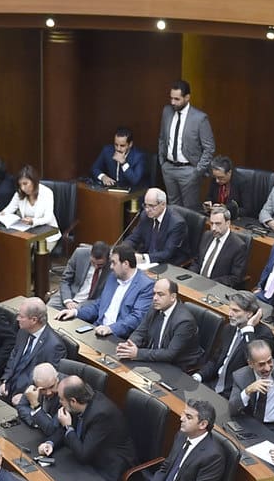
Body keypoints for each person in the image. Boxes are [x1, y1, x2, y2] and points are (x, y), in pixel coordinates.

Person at [38, 376, 136, 481]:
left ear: (73, 401)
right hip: (88, 454)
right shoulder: (79, 404)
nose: (60, 402)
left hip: (109, 467)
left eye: (61, 399)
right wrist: (50, 443)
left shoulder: (101, 415)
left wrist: (68, 427)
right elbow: (63, 430)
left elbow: (83, 455)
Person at [68, 242, 155, 339]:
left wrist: (111, 329)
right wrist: (75, 312)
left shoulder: (146, 285)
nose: (111, 267)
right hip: (98, 329)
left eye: (114, 263)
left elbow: (137, 318)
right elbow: (99, 305)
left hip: (119, 337)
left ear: (125, 264)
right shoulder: (112, 277)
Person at [158, 79, 216, 211]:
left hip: (189, 170)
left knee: (190, 210)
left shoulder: (200, 118)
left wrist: (198, 171)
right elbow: (162, 137)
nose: (173, 102)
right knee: (173, 208)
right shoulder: (167, 111)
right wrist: (163, 162)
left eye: (177, 99)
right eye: (171, 98)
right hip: (168, 168)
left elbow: (209, 148)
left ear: (187, 97)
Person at [0, 298, 70, 402]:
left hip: (27, 397)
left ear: (34, 320)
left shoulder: (55, 346)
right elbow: (14, 357)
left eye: (21, 316)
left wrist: (25, 396)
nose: (17, 319)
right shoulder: (23, 331)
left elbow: (49, 382)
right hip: (8, 387)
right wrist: (5, 380)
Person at [201, 292, 274, 394]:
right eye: (230, 309)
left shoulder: (264, 335)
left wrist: (249, 329)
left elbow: (253, 362)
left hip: (235, 392)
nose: (230, 314)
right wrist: (199, 375)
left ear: (249, 314)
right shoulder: (229, 328)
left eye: (235, 311)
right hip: (213, 384)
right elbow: (215, 359)